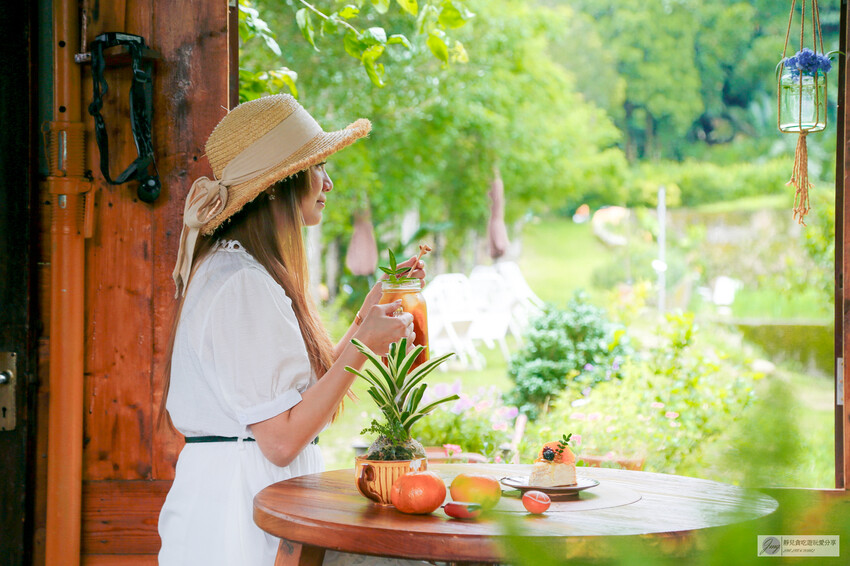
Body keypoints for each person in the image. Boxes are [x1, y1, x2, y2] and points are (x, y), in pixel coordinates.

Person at [158, 94, 426, 565]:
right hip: (238, 514)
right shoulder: (241, 282)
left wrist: (366, 315)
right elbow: (281, 442)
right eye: (317, 166)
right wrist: (363, 346)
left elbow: (298, 400)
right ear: (279, 183)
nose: (328, 182)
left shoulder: (240, 271)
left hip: (246, 497)